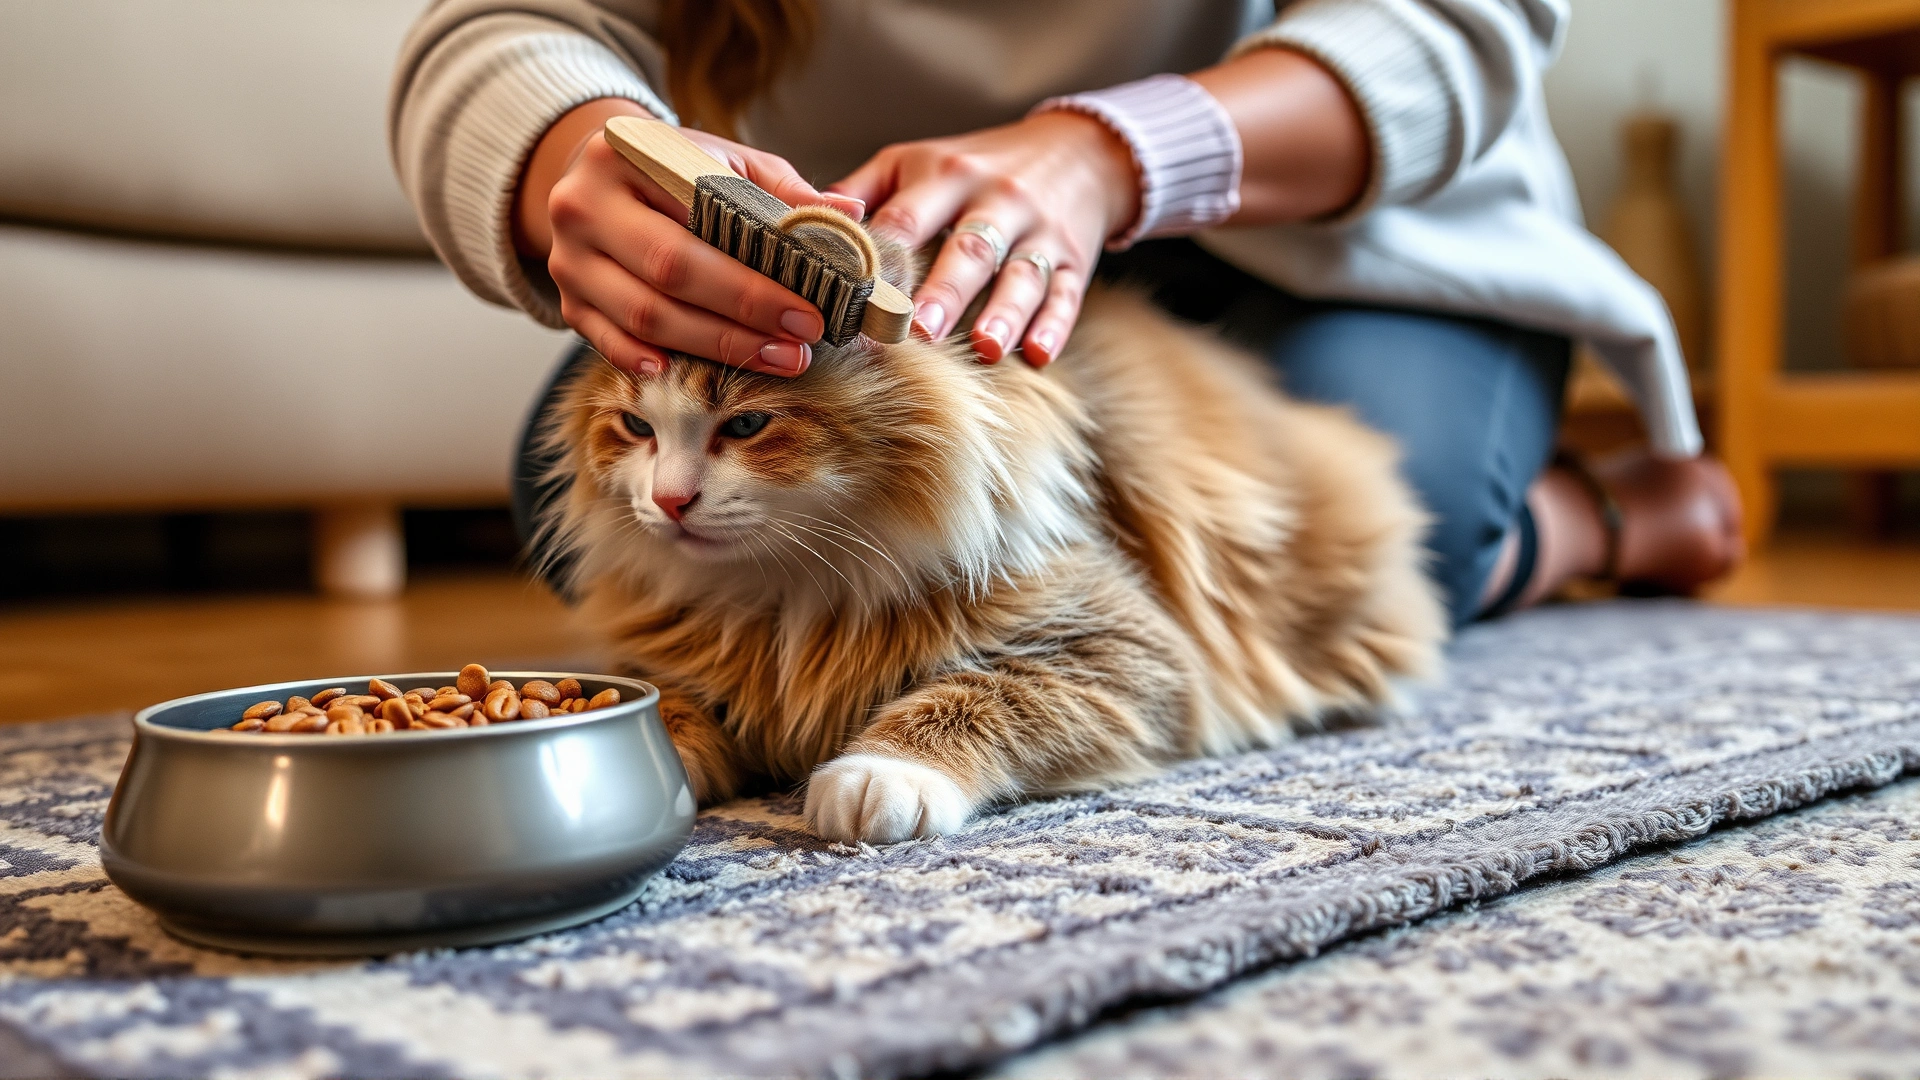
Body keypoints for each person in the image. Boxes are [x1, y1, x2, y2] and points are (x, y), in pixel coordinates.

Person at [389, 0, 1743, 628]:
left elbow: (1453, 25)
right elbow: (498, 31)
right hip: (911, 308)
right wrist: (574, 149)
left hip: (1330, 236)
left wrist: (1107, 156)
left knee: (1370, 544)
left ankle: (1591, 518)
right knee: (586, 510)